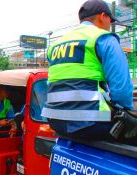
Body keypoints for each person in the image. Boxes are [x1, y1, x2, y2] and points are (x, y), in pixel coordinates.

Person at [41, 0, 134, 140]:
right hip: (92, 122)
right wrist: (127, 114)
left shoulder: (55, 45)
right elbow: (122, 90)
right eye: (111, 21)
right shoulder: (103, 38)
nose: (110, 25)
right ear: (103, 16)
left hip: (55, 120)